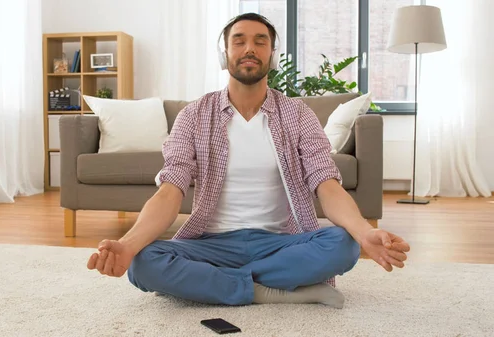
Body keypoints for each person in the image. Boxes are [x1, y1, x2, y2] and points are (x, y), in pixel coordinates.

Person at [86, 13, 410, 309]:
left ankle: (219, 284)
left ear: (272, 55)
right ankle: (269, 291)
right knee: (143, 262)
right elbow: (170, 191)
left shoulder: (298, 115)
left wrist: (364, 233)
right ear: (224, 54)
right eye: (238, 40)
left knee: (345, 245)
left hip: (279, 244)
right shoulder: (194, 115)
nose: (249, 48)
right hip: (211, 244)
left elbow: (326, 184)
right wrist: (127, 246)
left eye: (260, 41)